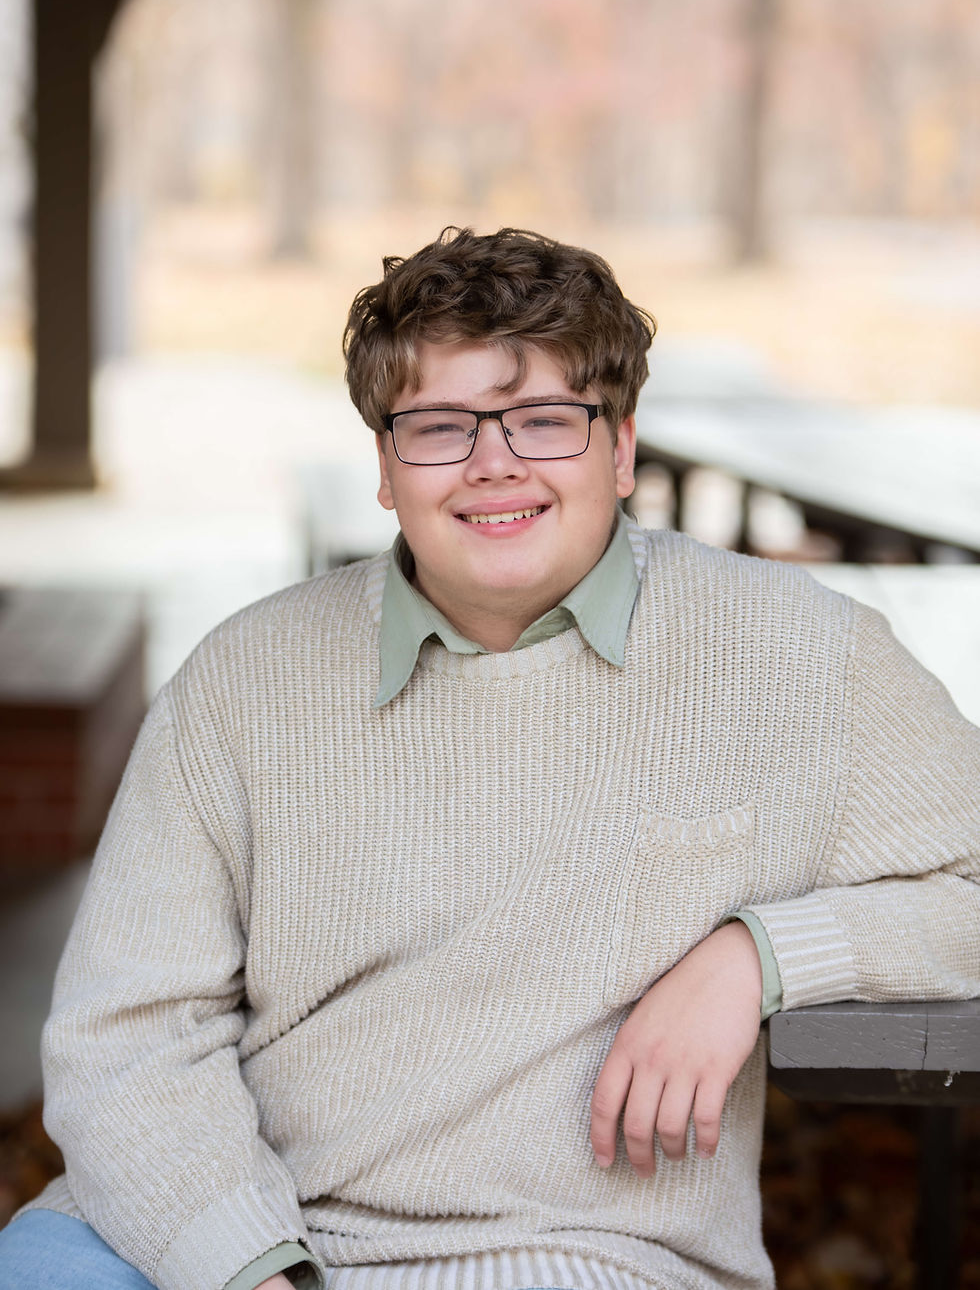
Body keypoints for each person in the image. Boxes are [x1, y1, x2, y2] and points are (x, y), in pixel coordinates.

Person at [1, 225, 978, 1290]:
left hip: (585, 1259)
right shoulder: (240, 683)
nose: (492, 463)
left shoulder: (800, 656)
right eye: (437, 427)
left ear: (620, 447)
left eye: (545, 420)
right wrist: (242, 1264)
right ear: (384, 464)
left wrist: (757, 955)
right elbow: (127, 1037)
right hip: (216, 1245)